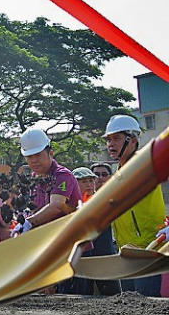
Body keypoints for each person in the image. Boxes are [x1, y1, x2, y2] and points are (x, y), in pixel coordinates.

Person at [103, 115, 165, 296]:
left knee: (148, 307)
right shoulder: (119, 170)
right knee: (130, 306)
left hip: (148, 249)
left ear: (133, 141)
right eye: (108, 139)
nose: (110, 144)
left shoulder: (146, 163)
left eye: (117, 138)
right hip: (125, 251)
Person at [70, 166, 121, 296]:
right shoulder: (68, 206)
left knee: (112, 296)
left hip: (104, 258)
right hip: (80, 259)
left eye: (91, 181)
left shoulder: (102, 201)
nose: (89, 184)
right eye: (83, 181)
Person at [17, 127, 81, 232]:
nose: (34, 161)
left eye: (38, 155)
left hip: (72, 241)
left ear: (50, 153)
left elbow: (57, 206)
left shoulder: (62, 175)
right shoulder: (34, 178)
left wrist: (28, 222)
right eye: (29, 157)